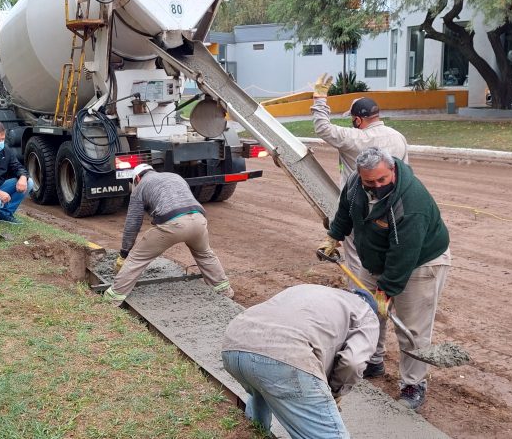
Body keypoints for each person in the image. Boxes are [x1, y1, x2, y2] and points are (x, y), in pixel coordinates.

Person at [318, 147, 451, 411]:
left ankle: (413, 384)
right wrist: (333, 237)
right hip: (376, 258)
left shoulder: (411, 203)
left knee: (411, 328)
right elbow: (345, 211)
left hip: (419, 263)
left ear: (392, 170)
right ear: (360, 175)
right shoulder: (356, 185)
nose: (377, 186)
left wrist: (385, 292)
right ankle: (372, 361)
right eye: (370, 182)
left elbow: (404, 254)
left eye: (382, 180)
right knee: (366, 313)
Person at [221, 284, 380, 439]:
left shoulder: (310, 289)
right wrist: (334, 392)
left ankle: (254, 431)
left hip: (234, 343)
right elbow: (353, 363)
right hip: (285, 355)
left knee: (262, 389)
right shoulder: (366, 313)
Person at [311, 74, 409, 278]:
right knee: (388, 252)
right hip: (393, 207)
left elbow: (322, 127)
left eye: (352, 119)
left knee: (357, 258)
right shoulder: (398, 137)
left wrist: (320, 98)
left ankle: (360, 296)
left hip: (360, 209)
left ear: (358, 119)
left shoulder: (354, 138)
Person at [102, 164, 232, 304]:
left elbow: (133, 223)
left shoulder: (140, 187)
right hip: (199, 220)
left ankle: (113, 298)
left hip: (173, 224)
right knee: (205, 254)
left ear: (137, 178)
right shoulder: (175, 177)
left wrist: (124, 252)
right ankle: (223, 289)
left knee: (136, 259)